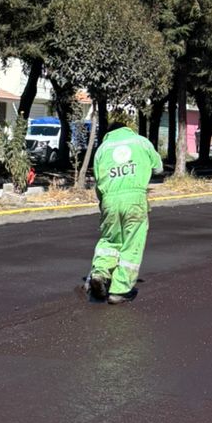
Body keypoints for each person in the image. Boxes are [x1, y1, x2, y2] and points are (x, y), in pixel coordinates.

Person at [86, 123, 164, 304]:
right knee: (132, 243)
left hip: (109, 201)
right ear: (127, 129)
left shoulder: (102, 149)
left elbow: (98, 182)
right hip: (135, 199)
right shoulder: (141, 142)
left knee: (109, 240)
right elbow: (158, 168)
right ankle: (119, 290)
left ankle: (100, 273)